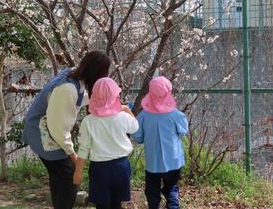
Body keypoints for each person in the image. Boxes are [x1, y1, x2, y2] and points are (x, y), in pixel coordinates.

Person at [22, 50, 111, 209]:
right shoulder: (67, 89)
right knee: (69, 178)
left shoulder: (74, 74)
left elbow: (81, 98)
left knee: (60, 179)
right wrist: (75, 158)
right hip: (43, 134)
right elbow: (59, 131)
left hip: (46, 130)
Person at [73, 77, 138, 209]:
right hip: (121, 166)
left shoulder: (88, 121)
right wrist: (126, 109)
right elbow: (135, 127)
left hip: (99, 169)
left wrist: (78, 172)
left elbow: (84, 149)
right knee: (117, 204)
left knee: (101, 205)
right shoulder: (123, 117)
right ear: (115, 96)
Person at [132, 76, 188, 209]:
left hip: (153, 162)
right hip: (173, 161)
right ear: (169, 93)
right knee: (171, 188)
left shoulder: (143, 116)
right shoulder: (176, 115)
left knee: (152, 192)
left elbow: (138, 138)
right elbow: (183, 132)